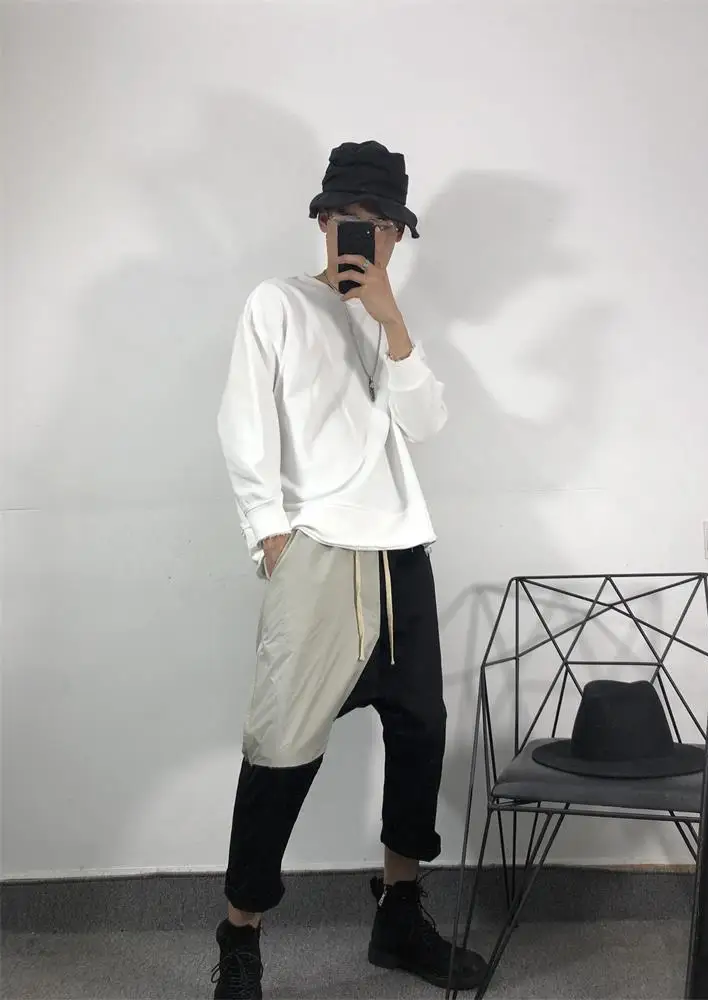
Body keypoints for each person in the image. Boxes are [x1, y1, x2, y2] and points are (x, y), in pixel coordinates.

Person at [213, 140, 487, 998]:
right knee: (282, 749)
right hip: (318, 552)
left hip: (402, 550)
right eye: (347, 222)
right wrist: (270, 534)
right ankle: (240, 934)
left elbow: (426, 424)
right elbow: (244, 422)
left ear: (397, 237)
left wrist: (392, 322)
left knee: (420, 734)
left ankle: (398, 917)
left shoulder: (387, 322)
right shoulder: (278, 303)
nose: (361, 238)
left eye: (379, 227)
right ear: (324, 224)